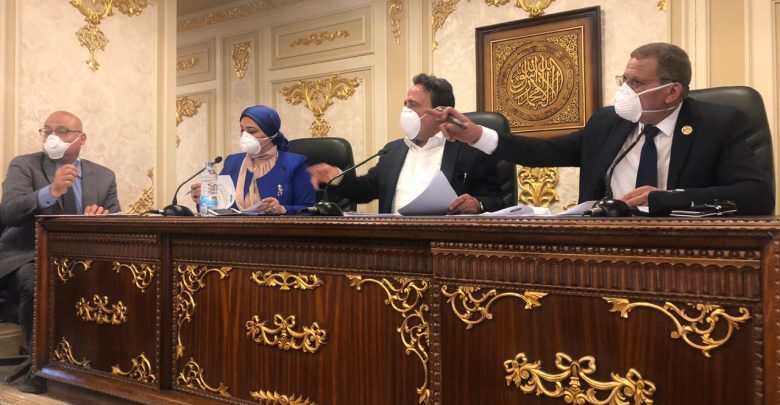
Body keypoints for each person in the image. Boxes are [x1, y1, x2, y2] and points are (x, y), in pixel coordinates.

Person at [432, 42, 774, 215]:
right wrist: (477, 135)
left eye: (637, 83)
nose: (625, 91)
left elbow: (756, 196)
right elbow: (547, 151)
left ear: (672, 91)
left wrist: (668, 198)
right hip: (605, 246)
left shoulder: (719, 123)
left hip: (685, 252)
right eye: (624, 80)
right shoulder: (608, 122)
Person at [0, 111, 120, 394]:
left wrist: (102, 216)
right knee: (37, 277)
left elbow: (117, 220)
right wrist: (50, 191)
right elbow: (9, 211)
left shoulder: (103, 176)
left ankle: (108, 364)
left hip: (81, 259)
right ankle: (38, 368)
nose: (53, 137)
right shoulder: (25, 166)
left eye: (63, 131)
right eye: (48, 131)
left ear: (81, 139)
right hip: (25, 257)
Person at [308, 73, 505, 214]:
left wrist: (478, 204)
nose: (406, 111)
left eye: (413, 105)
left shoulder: (471, 151)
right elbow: (365, 189)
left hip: (445, 248)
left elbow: (496, 201)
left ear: (439, 111)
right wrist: (337, 177)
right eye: (405, 104)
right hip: (394, 245)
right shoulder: (392, 151)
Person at [191, 105, 315, 214]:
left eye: (252, 131)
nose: (245, 136)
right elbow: (217, 207)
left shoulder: (295, 163)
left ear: (270, 133)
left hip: (276, 231)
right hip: (232, 230)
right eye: (242, 130)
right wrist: (203, 198)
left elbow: (308, 209)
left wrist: (283, 209)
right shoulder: (232, 162)